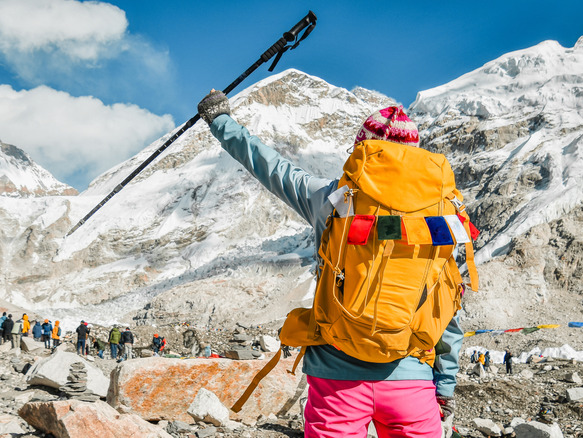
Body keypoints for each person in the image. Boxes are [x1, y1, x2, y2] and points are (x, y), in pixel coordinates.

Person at [196, 93, 464, 437]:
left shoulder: (333, 200)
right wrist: (444, 387)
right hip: (409, 379)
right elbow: (448, 304)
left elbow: (270, 166)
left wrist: (220, 120)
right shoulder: (442, 217)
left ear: (361, 152)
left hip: (335, 376)